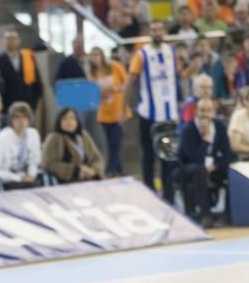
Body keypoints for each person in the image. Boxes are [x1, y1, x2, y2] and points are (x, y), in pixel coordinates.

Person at [126, 21, 178, 201]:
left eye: (160, 29)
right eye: (154, 30)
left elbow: (175, 80)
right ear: (149, 33)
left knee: (169, 156)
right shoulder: (142, 54)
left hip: (169, 114)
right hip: (148, 113)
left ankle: (169, 195)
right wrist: (125, 105)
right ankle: (149, 193)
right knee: (148, 155)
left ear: (164, 31)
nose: (157, 32)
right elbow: (130, 80)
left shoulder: (171, 52)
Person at [177, 97, 233, 226]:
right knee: (199, 170)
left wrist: (216, 166)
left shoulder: (219, 127)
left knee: (232, 170)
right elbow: (192, 157)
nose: (205, 114)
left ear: (213, 112)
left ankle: (228, 215)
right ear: (196, 111)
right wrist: (205, 140)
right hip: (188, 168)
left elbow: (228, 154)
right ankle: (205, 215)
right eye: (202, 110)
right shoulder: (188, 130)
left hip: (212, 167)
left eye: (208, 110)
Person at [0, 101, 42, 189]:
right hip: (7, 182)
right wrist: (18, 178)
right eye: (17, 117)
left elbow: (34, 160)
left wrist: (31, 175)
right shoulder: (2, 138)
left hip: (28, 180)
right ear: (11, 120)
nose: (21, 121)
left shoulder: (33, 134)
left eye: (25, 117)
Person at [89, 47, 127, 176]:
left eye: (97, 55)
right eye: (93, 55)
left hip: (117, 110)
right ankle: (118, 170)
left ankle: (110, 170)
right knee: (110, 143)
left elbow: (127, 83)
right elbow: (92, 94)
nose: (95, 58)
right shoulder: (93, 74)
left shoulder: (115, 67)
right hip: (104, 113)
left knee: (115, 141)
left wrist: (115, 88)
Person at [42, 107, 104, 183]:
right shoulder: (54, 137)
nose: (69, 122)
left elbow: (97, 158)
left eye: (72, 118)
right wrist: (76, 171)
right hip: (65, 181)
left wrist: (93, 170)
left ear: (77, 121)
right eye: (64, 118)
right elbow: (48, 164)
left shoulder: (83, 135)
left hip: (88, 177)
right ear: (59, 122)